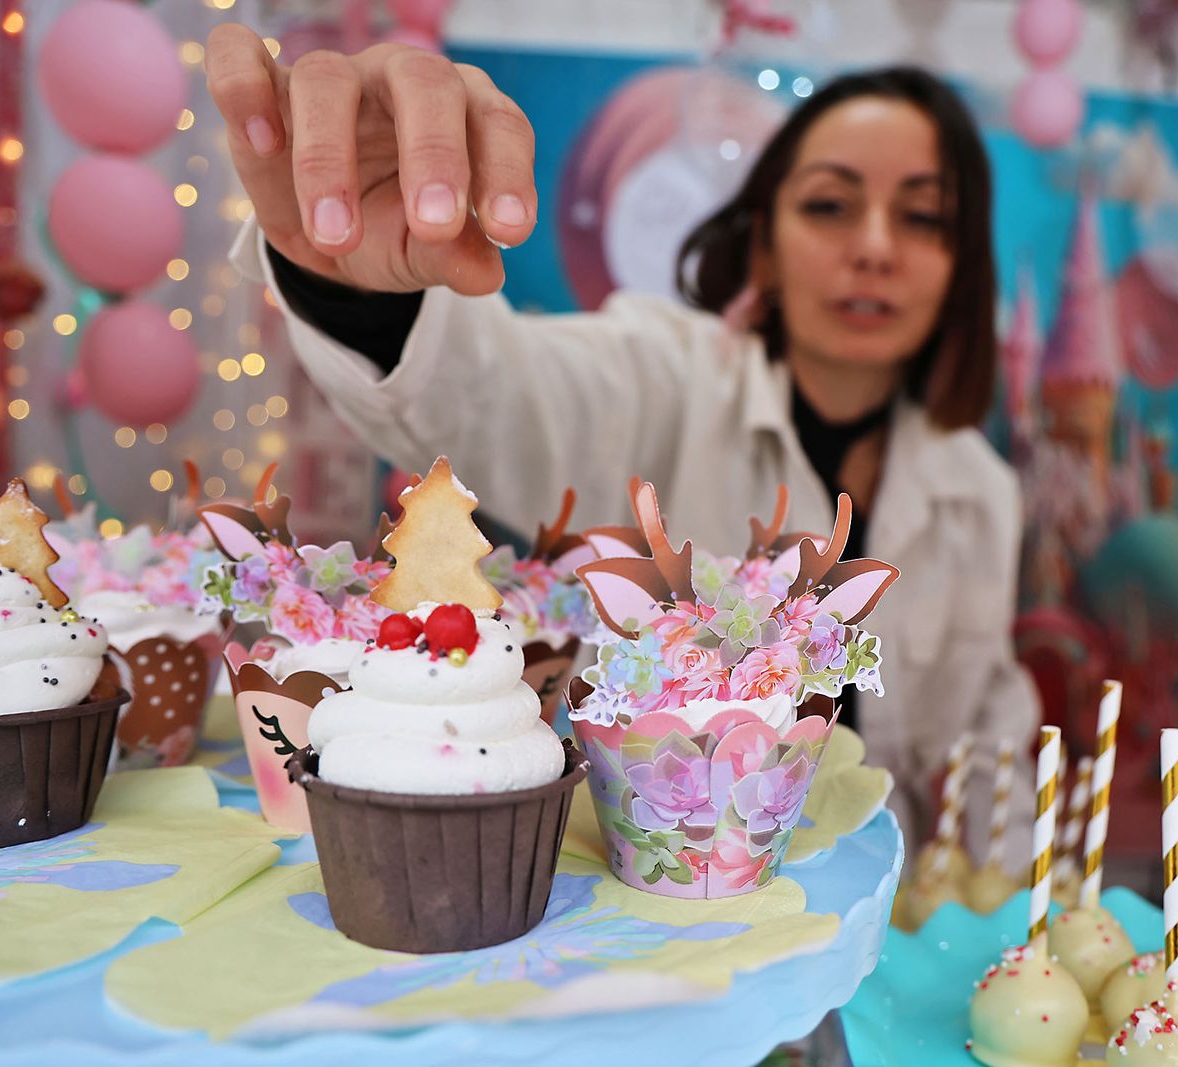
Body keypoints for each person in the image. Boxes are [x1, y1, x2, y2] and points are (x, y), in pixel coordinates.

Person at [204, 24, 1038, 858]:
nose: (876, 247)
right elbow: (495, 390)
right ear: (766, 247)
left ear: (960, 266)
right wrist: (352, 279)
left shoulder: (982, 493)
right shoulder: (663, 376)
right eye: (829, 204)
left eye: (925, 217)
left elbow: (990, 751)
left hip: (879, 929)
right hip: (660, 913)